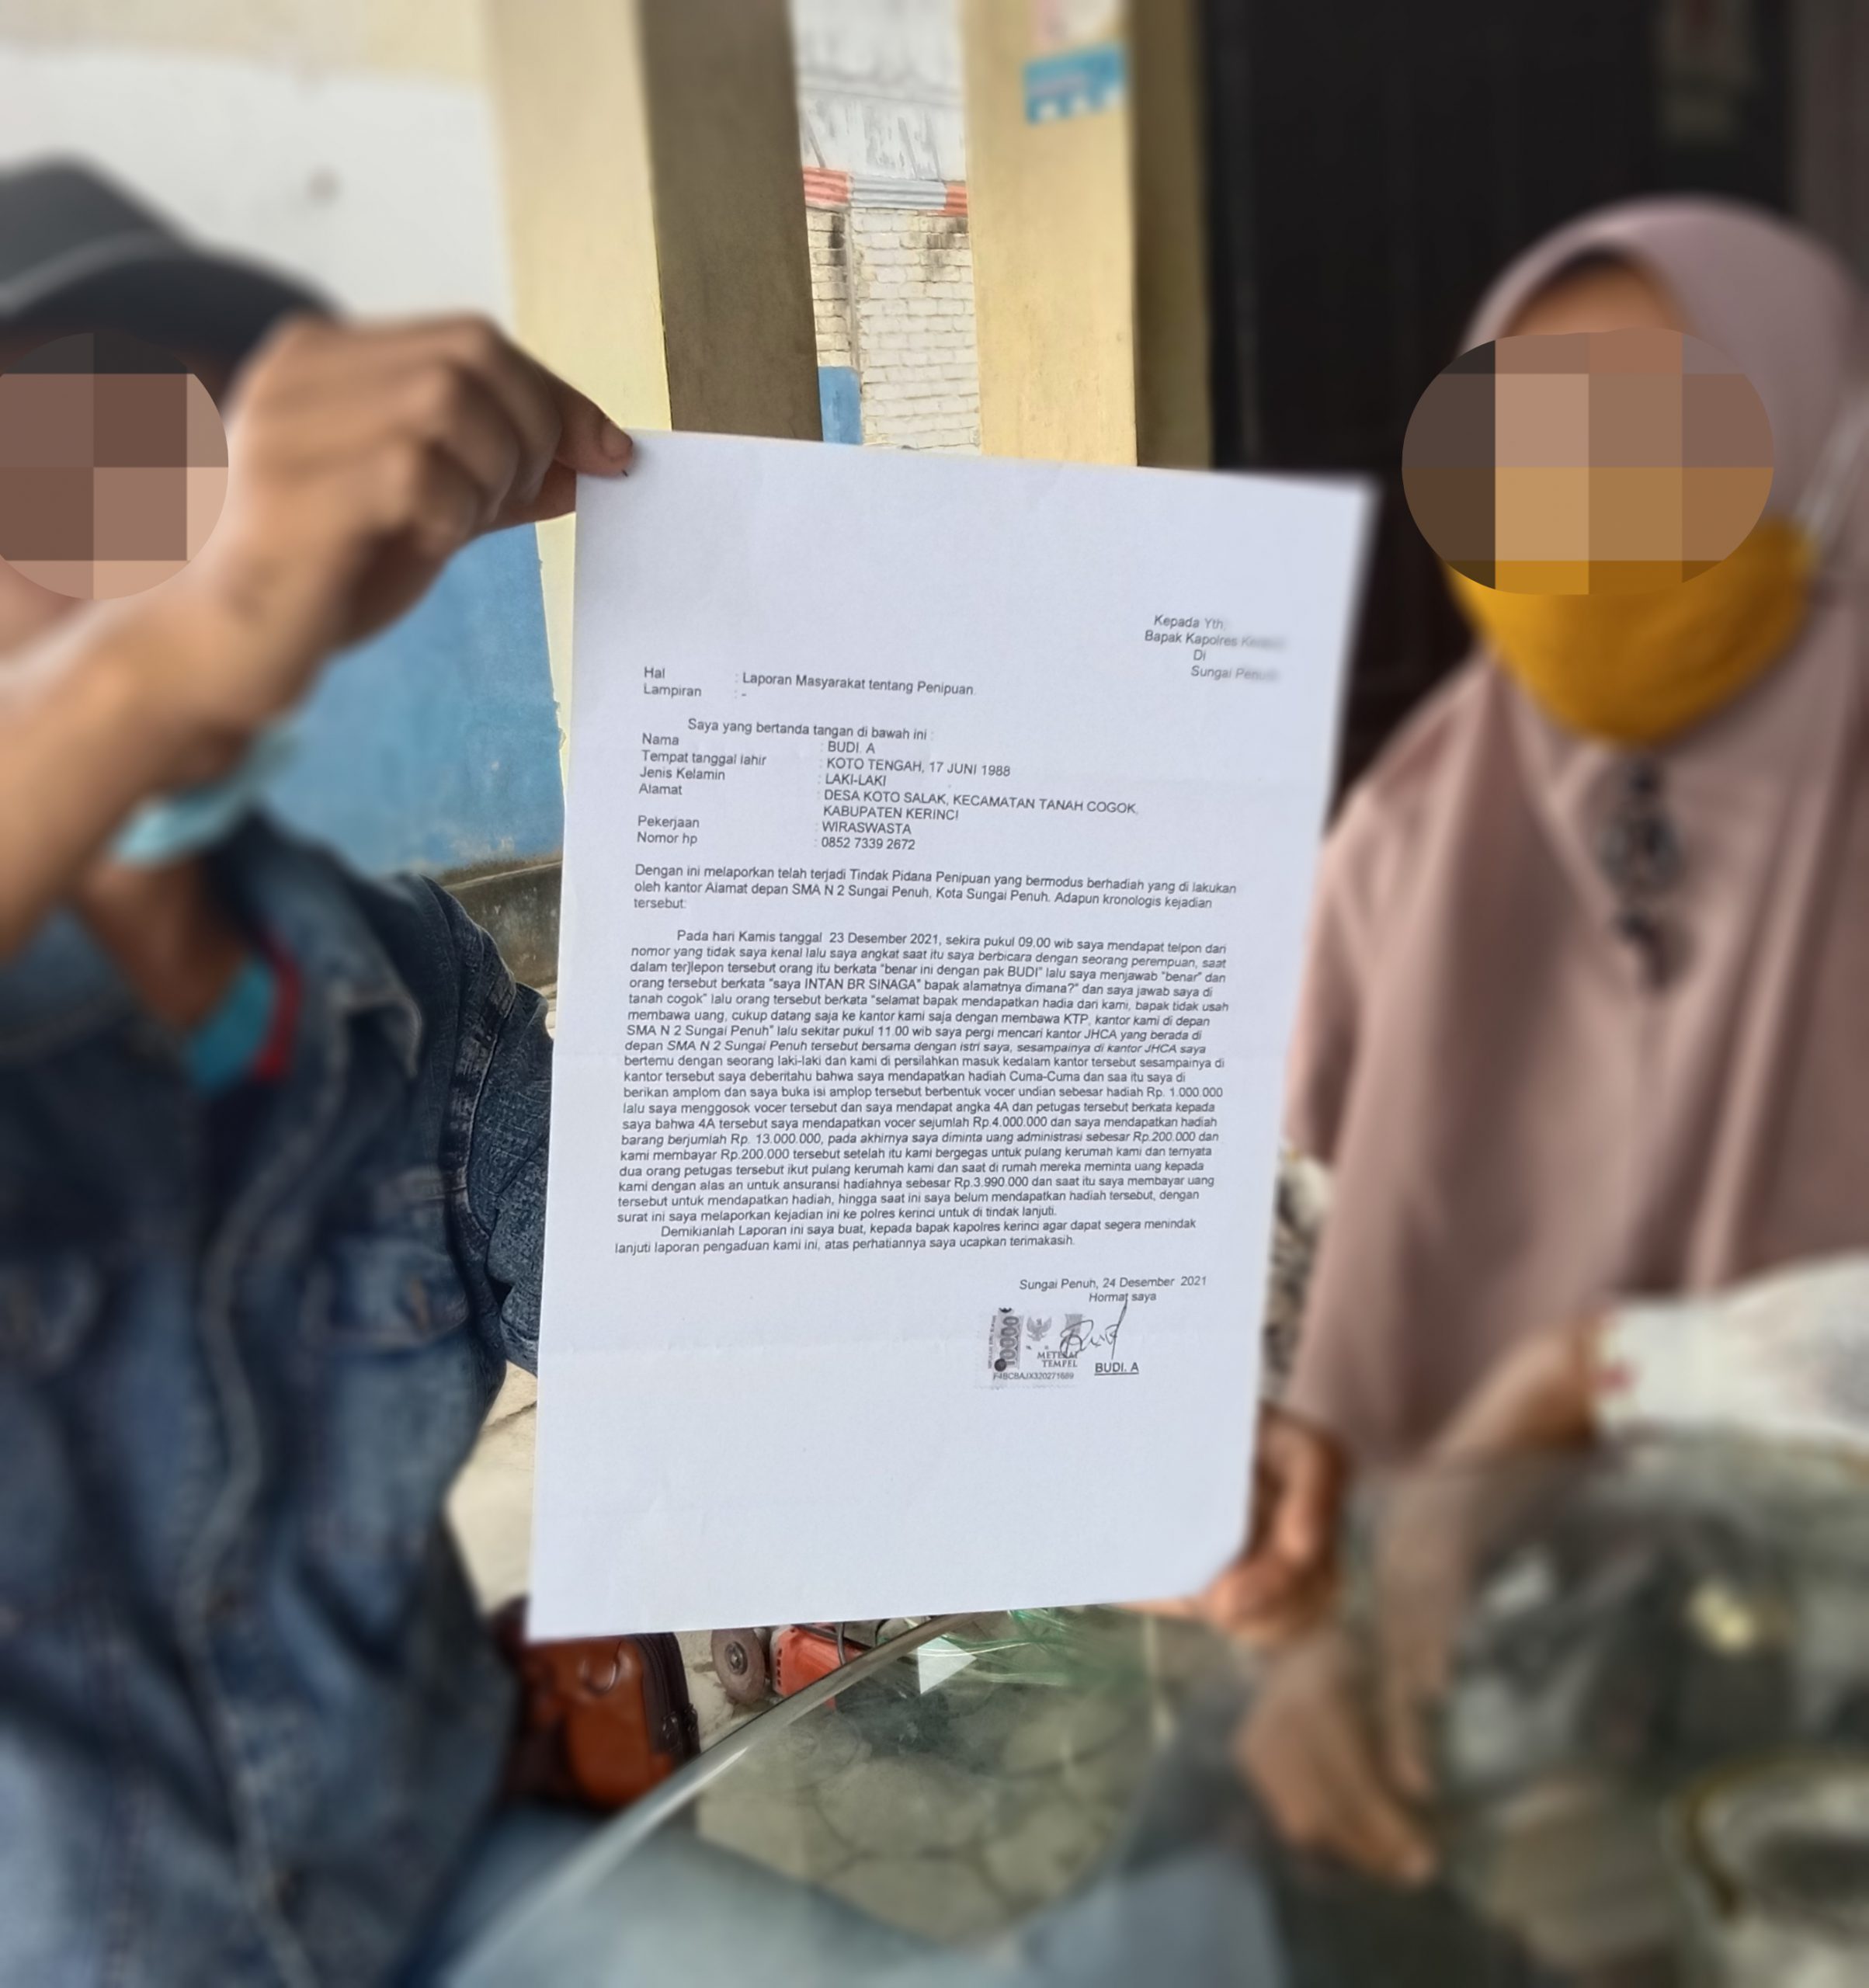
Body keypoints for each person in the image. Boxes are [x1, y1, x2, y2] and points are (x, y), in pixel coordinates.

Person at [0, 164, 634, 1984]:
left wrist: (1095, 1444)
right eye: (66, 481)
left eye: (191, 469)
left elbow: (680, 1321)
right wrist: (147, 675)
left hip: (440, 1888)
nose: (151, 552)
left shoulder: (407, 986)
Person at [1212, 199, 1869, 1643]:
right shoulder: (1407, 835)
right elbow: (1281, 1257)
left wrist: (1597, 1377)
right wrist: (1254, 1464)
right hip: (1451, 1675)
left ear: (1829, 457)